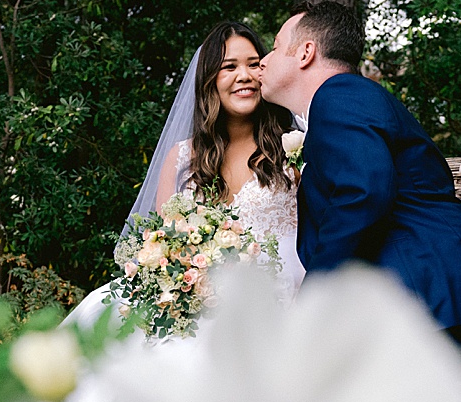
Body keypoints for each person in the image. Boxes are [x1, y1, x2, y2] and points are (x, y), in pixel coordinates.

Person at [259, 1, 461, 380]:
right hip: (436, 304)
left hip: (435, 306)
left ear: (306, 53)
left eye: (277, 46)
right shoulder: (346, 102)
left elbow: (362, 193)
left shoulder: (339, 94)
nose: (263, 61)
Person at [63, 20, 305, 330]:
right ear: (209, 80)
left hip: (276, 305)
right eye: (229, 67)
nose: (244, 76)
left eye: (253, 64)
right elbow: (160, 243)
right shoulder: (181, 157)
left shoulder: (292, 148)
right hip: (195, 311)